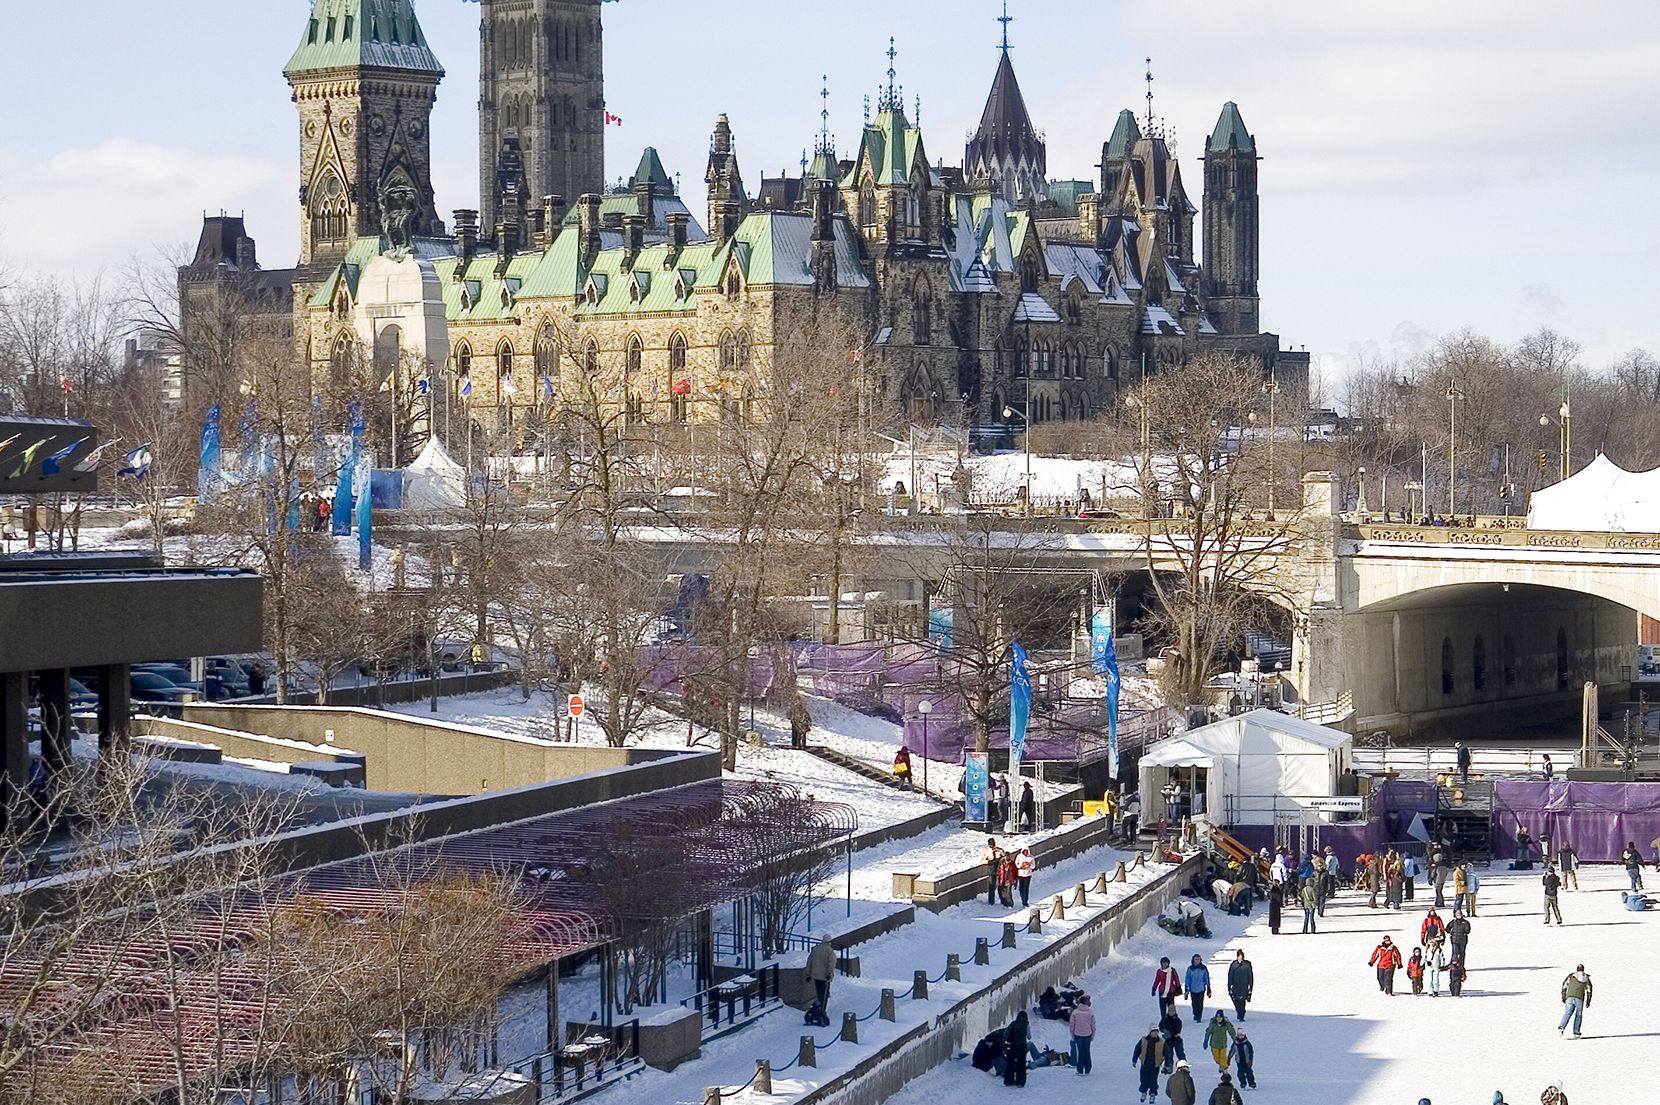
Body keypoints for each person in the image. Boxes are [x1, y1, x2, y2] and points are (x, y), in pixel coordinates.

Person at [1133, 1025, 1165, 1103]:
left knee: (1153, 1080)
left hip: (1155, 1065)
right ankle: (1144, 1092)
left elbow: (1166, 1053)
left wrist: (1167, 1064)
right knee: (1143, 1079)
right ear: (1150, 1032)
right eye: (1153, 1032)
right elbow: (1137, 1049)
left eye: (1156, 1032)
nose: (1155, 1033)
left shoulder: (1161, 1042)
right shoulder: (1143, 1040)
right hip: (1145, 1064)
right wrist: (1134, 1059)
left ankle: (1152, 1094)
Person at [1558, 964, 1592, 1037]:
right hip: (1579, 998)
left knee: (1567, 1013)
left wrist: (1563, 995)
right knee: (1578, 1015)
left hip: (1569, 997)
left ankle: (1561, 1027)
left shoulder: (1571, 976)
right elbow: (1589, 990)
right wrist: (1588, 1001)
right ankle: (1576, 1032)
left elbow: (1565, 985)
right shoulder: (1586, 978)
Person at [1068, 994, 1094, 1075]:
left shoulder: (1075, 1012)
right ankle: (1088, 1068)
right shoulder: (1090, 1012)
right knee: (1087, 1051)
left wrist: (1072, 1035)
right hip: (1088, 1034)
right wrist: (1092, 1035)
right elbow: (1093, 1025)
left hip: (1078, 1034)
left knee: (1080, 1051)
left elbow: (1072, 1025)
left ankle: (1080, 1069)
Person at [806, 938, 835, 1010]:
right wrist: (829, 974)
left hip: (816, 976)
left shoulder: (815, 949)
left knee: (818, 994)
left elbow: (809, 962)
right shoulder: (830, 951)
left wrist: (808, 974)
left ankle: (818, 1008)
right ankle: (822, 1010)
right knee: (824, 994)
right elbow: (831, 964)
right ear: (829, 942)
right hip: (825, 977)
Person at [1002, 1009, 1030, 1086]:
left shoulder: (1013, 1023)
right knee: (1021, 1064)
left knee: (1010, 1063)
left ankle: (1008, 1081)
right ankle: (1020, 1082)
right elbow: (1029, 1036)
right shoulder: (1026, 1024)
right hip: (1022, 1046)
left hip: (1013, 1046)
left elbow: (1006, 1034)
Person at [1226, 950, 1254, 1020]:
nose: (1240, 958)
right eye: (1239, 956)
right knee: (1236, 1000)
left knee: (1242, 1001)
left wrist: (1250, 985)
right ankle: (1239, 1012)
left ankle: (1242, 1015)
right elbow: (1230, 975)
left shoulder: (1247, 964)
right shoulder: (1234, 965)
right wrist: (1229, 985)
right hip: (1236, 985)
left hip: (1244, 985)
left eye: (1241, 956)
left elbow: (1250, 975)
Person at [1184, 954, 1212, 1022]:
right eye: (1196, 959)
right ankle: (1195, 1014)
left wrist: (1208, 987)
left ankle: (1199, 1016)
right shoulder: (1190, 969)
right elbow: (1188, 978)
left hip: (1201, 988)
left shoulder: (1203, 968)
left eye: (1198, 959)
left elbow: (1206, 977)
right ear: (1193, 960)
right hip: (1193, 989)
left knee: (1200, 1003)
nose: (1197, 961)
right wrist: (1186, 987)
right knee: (1194, 1003)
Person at [1159, 1007, 1187, 1072]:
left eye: (1173, 1011)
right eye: (1170, 1011)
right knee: (1168, 1053)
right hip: (1168, 1040)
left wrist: (1170, 1033)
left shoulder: (1178, 1020)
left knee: (1180, 1053)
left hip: (1177, 1039)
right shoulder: (1165, 1019)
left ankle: (1183, 1066)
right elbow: (1160, 1026)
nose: (1171, 1012)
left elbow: (1178, 1030)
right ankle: (1168, 1066)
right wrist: (1164, 1031)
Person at [981, 838, 1003, 906]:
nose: (992, 845)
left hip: (999, 869)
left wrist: (1000, 860)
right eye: (990, 844)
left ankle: (1003, 900)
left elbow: (1004, 857)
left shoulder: (999, 850)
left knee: (1001, 885)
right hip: (991, 869)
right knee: (991, 886)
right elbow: (983, 860)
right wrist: (991, 861)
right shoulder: (986, 851)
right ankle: (991, 901)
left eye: (993, 844)